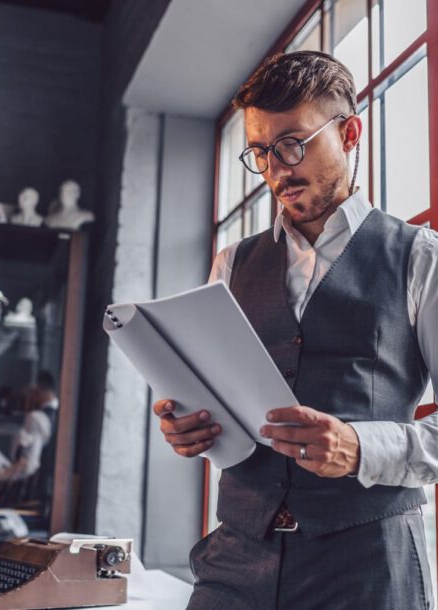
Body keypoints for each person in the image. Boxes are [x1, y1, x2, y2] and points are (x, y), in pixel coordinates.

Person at [153, 50, 438, 609]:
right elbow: (223, 409)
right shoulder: (232, 263)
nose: (275, 169)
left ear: (350, 132)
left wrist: (361, 446)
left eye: (291, 144)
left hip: (368, 563)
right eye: (259, 152)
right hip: (236, 554)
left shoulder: (419, 258)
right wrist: (191, 427)